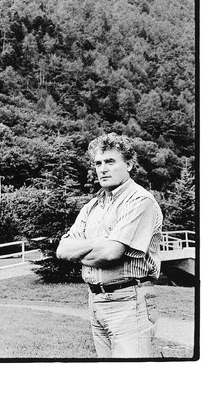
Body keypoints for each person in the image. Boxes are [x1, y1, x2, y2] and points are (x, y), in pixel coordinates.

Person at [56, 133, 162, 358]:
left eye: (110, 162)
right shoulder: (92, 206)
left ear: (130, 165)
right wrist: (100, 242)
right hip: (95, 301)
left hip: (129, 300)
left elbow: (111, 253)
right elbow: (63, 250)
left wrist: (85, 249)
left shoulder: (140, 201)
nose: (103, 169)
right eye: (98, 163)